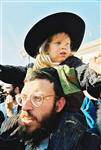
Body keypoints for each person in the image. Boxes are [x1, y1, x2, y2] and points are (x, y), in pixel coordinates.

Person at [0, 12, 101, 100]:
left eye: (67, 44)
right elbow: (13, 72)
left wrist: (94, 71)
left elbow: (84, 72)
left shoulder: (73, 64)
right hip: (35, 114)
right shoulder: (32, 69)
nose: (64, 47)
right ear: (46, 48)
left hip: (66, 117)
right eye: (58, 43)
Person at [0, 66, 101, 150]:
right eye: (23, 98)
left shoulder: (84, 144)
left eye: (37, 98)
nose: (25, 107)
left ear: (59, 104)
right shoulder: (8, 137)